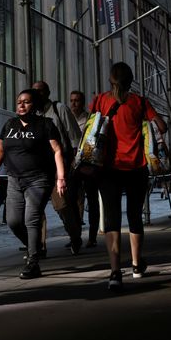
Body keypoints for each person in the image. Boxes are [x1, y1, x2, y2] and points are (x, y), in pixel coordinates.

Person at [90, 62, 167, 291]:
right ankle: (135, 264)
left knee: (112, 219)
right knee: (135, 216)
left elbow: (91, 129)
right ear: (131, 80)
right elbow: (161, 127)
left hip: (108, 168)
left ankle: (115, 272)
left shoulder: (100, 100)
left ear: (110, 80)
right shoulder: (140, 102)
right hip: (136, 167)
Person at [0, 89, 67, 279]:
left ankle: (33, 262)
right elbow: (0, 150)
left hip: (39, 179)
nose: (21, 105)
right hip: (14, 179)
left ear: (35, 105)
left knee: (32, 218)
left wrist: (60, 177)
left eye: (26, 102)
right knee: (13, 221)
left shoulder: (45, 124)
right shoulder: (9, 125)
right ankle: (36, 246)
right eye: (19, 102)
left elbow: (57, 150)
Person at [32, 81, 83, 254]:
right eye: (34, 91)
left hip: (60, 165)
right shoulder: (32, 114)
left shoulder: (58, 109)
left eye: (40, 91)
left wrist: (74, 164)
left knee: (62, 206)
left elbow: (75, 137)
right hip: (39, 168)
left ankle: (75, 236)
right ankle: (39, 246)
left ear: (47, 92)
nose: (36, 94)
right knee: (36, 208)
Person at [70, 89, 100, 246]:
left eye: (77, 100)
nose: (74, 103)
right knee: (72, 200)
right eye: (72, 100)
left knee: (92, 200)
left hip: (88, 164)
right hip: (73, 165)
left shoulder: (89, 119)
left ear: (82, 102)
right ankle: (75, 236)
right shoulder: (67, 119)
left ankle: (92, 237)